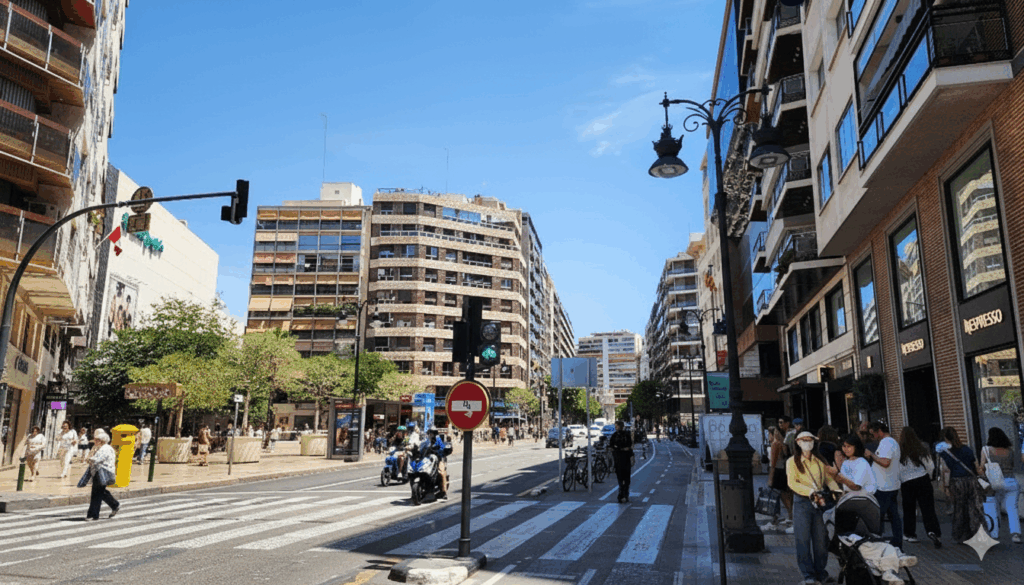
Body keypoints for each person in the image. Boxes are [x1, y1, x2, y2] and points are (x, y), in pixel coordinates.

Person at [787, 431, 840, 585]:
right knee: (802, 539)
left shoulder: (819, 460)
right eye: (804, 440)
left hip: (820, 502)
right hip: (802, 502)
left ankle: (821, 573)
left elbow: (828, 479)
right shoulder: (792, 461)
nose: (807, 443)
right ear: (798, 442)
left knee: (821, 540)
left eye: (810, 440)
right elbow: (792, 483)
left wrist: (836, 492)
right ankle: (808, 575)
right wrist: (809, 492)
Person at [936, 426, 984, 543]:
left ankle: (961, 535)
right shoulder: (967, 449)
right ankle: (980, 534)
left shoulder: (945, 453)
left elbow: (946, 470)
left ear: (946, 438)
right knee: (975, 508)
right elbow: (976, 466)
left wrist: (946, 487)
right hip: (971, 480)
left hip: (956, 482)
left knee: (959, 509)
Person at [898, 426, 942, 548]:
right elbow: (930, 466)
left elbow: (897, 470)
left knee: (909, 509)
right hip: (923, 480)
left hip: (907, 483)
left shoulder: (899, 451)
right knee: (928, 508)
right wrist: (928, 476)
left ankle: (910, 534)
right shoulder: (921, 448)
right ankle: (933, 532)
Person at [979, 427, 1021, 544]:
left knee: (992, 506)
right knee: (1012, 509)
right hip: (1011, 482)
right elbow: (1011, 465)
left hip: (995, 483)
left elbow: (982, 467)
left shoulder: (986, 450)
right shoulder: (1009, 451)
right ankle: (1016, 534)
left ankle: (994, 533)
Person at [85, 429, 119, 520]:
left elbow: (98, 459)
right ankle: (114, 505)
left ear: (102, 440)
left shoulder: (105, 448)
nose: (95, 441)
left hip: (103, 472)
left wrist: (90, 459)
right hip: (99, 472)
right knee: (100, 492)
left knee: (96, 493)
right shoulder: (99, 447)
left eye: (97, 440)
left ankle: (93, 514)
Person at [769, 426, 794, 532]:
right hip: (783, 471)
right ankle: (790, 516)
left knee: (776, 497)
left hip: (777, 472)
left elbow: (773, 463)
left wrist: (770, 478)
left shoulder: (775, 444)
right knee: (785, 496)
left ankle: (775, 520)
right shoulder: (782, 444)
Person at [609, 421, 633, 503]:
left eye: (617, 426)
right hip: (619, 459)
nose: (616, 428)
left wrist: (630, 455)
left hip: (623, 459)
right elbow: (611, 446)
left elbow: (630, 447)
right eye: (616, 426)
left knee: (625, 479)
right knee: (622, 478)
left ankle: (624, 494)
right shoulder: (615, 435)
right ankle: (622, 493)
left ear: (621, 426)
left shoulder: (625, 435)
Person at [425, 428, 448, 499]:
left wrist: (438, 451)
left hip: (438, 458)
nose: (430, 435)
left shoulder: (438, 439)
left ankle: (444, 492)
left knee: (441, 472)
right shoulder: (426, 440)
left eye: (431, 433)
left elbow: (442, 448)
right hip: (427, 459)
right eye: (429, 433)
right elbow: (422, 447)